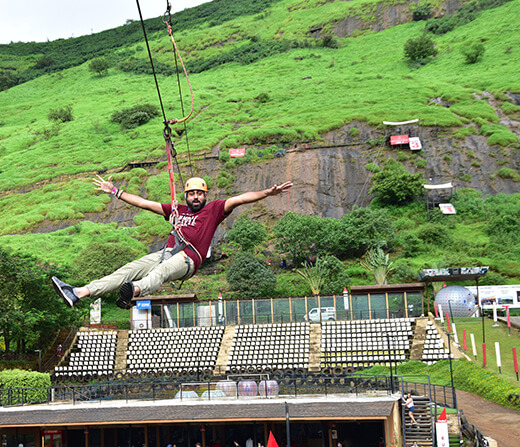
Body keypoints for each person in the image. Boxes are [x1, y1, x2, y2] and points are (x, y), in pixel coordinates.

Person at [52, 176, 292, 309]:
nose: (196, 196)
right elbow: (144, 203)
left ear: (205, 196)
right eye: (192, 193)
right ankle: (79, 292)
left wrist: (266, 193)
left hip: (188, 259)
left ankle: (134, 291)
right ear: (186, 196)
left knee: (163, 271)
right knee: (129, 269)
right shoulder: (175, 210)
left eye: (200, 193)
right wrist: (116, 191)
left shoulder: (215, 210)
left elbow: (241, 199)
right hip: (166, 252)